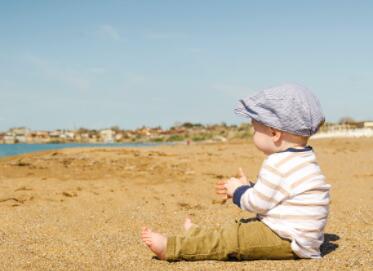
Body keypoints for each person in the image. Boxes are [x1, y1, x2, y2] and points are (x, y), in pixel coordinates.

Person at [141, 83, 331, 261]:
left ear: (274, 133)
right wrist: (250, 187)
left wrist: (237, 191)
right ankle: (198, 234)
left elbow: (257, 204)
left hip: (288, 239)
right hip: (300, 236)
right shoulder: (304, 158)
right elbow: (278, 195)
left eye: (255, 130)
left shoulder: (276, 163)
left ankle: (172, 247)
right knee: (238, 227)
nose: (252, 134)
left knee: (232, 239)